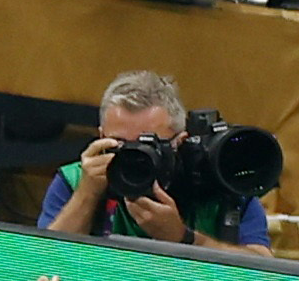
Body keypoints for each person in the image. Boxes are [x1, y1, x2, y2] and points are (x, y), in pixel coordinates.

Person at [36, 69, 277, 251]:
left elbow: (265, 274)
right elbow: (42, 263)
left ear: (180, 141)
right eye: (120, 145)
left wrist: (183, 238)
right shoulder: (79, 179)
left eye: (148, 144)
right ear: (101, 137)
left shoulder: (218, 184)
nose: (135, 157)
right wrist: (87, 194)